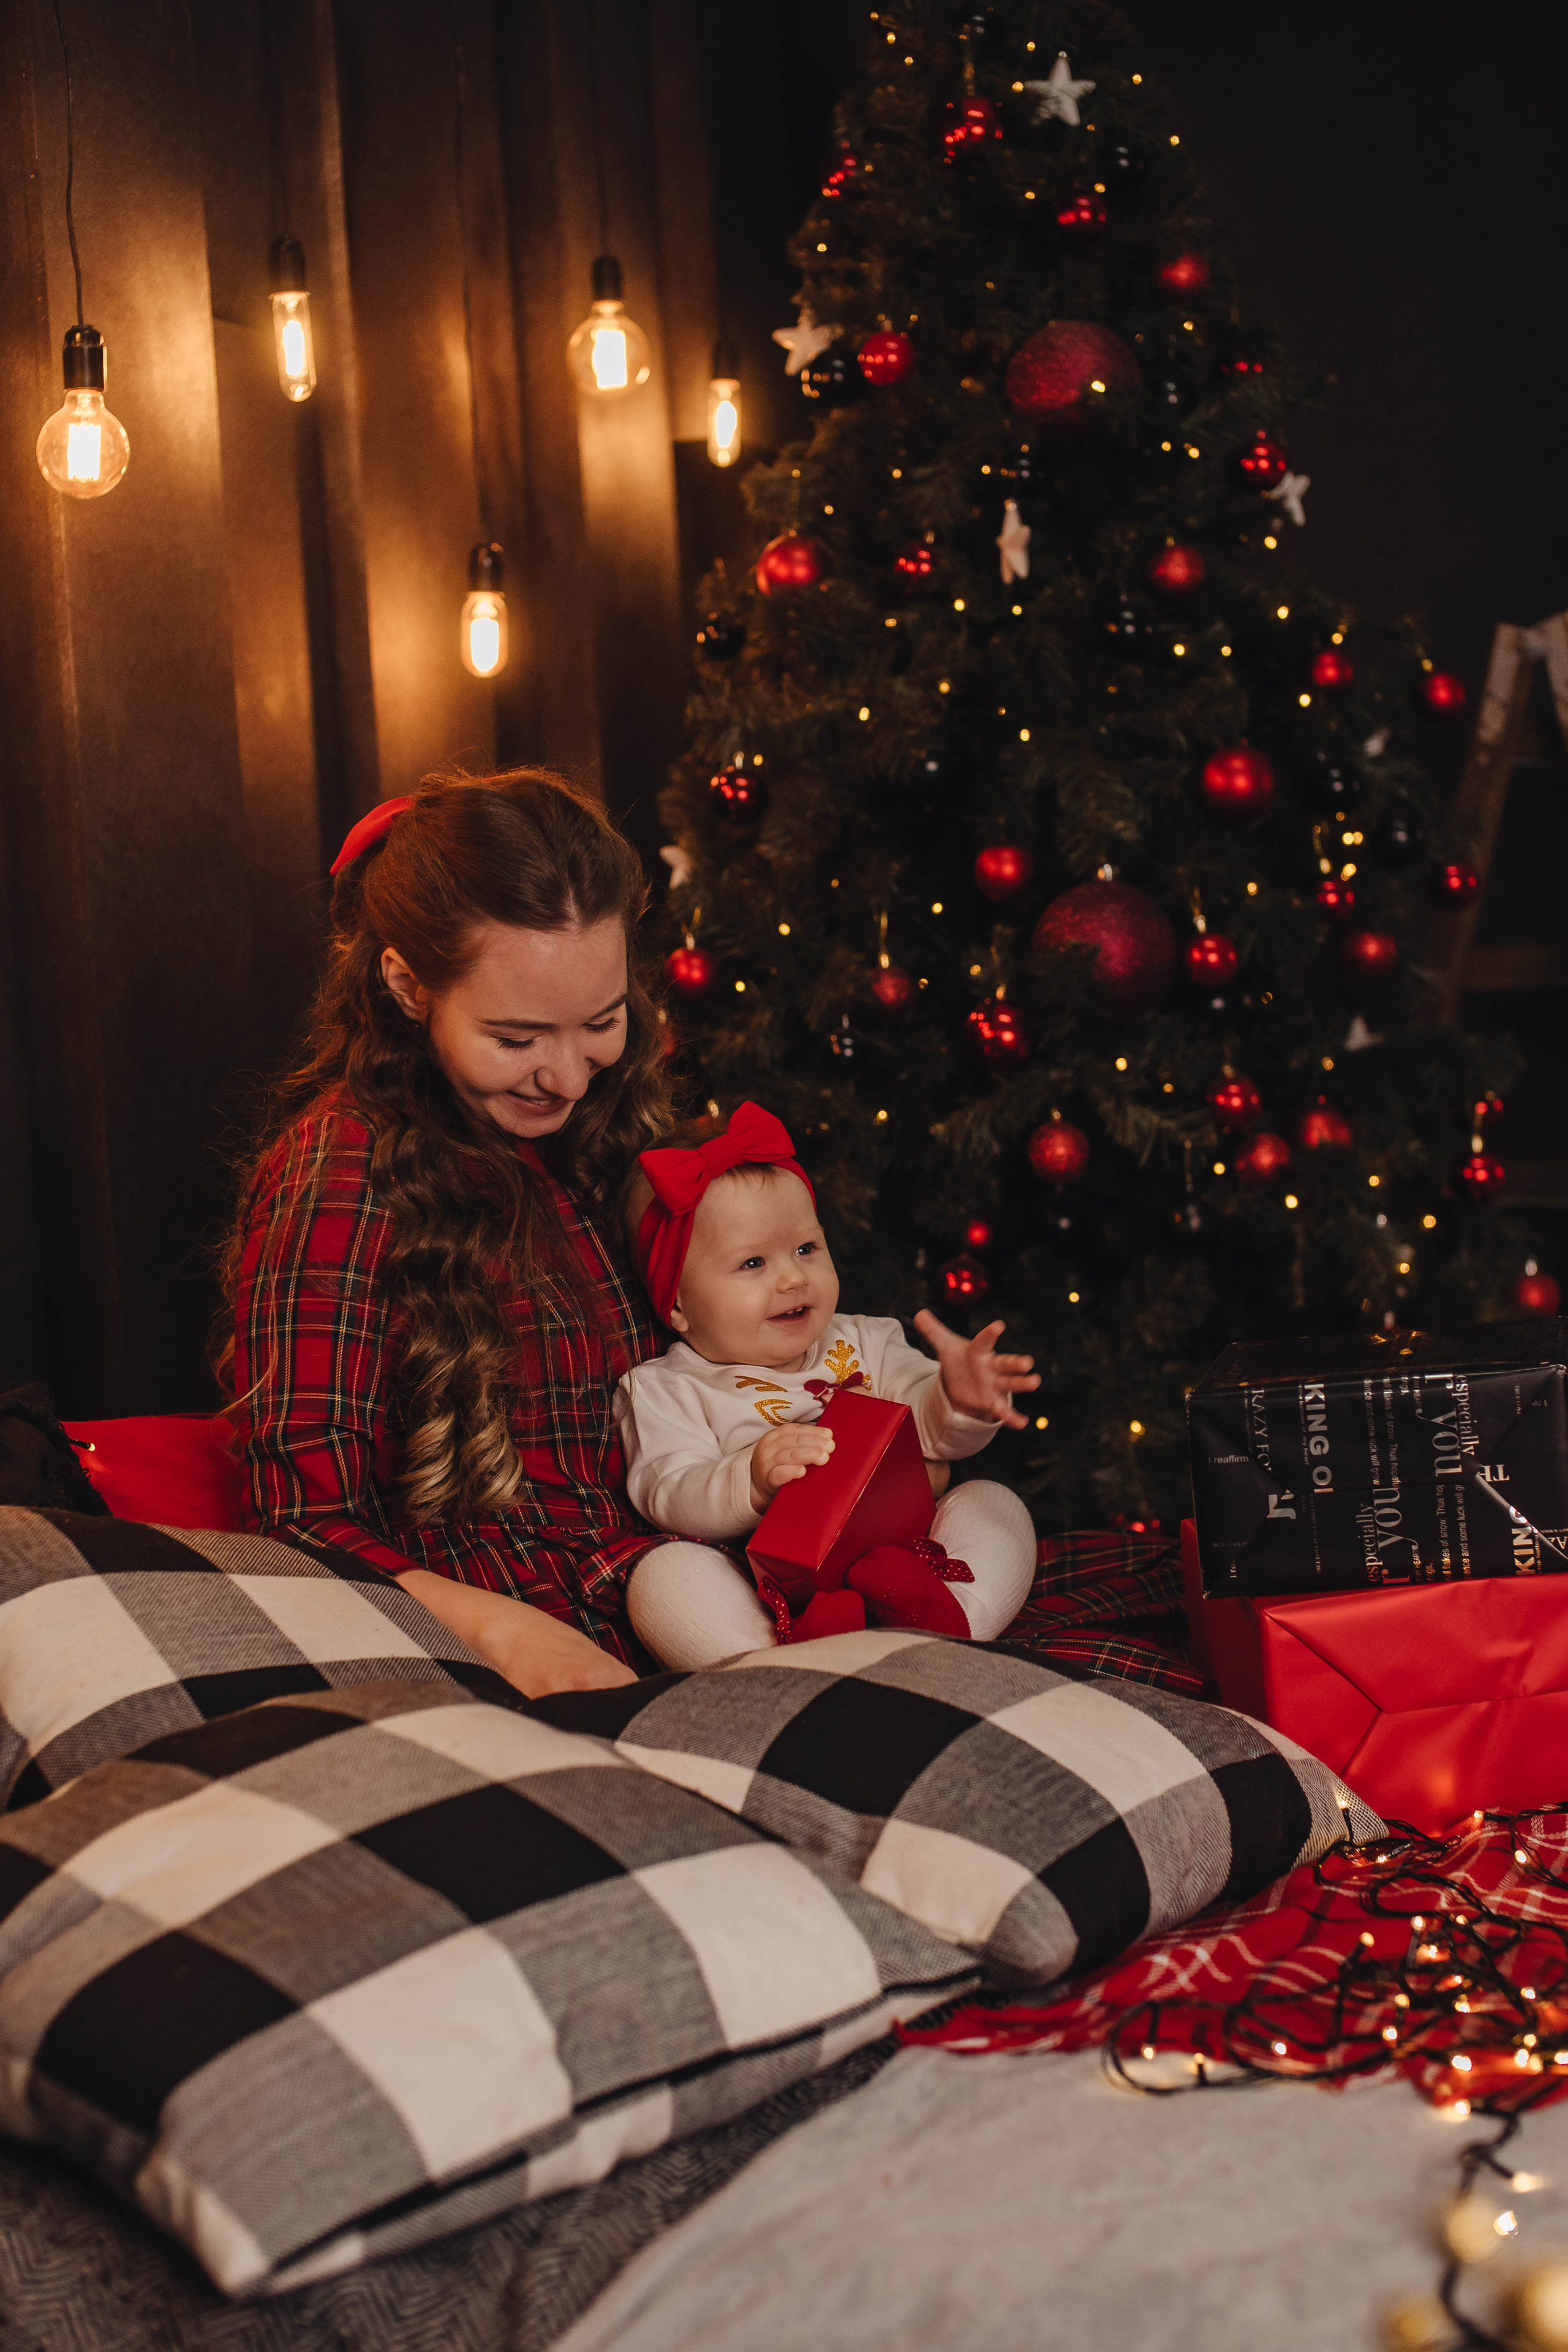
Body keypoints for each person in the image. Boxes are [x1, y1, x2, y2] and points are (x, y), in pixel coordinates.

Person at [220, 769, 676, 1697]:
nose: (569, 1077)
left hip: (669, 1590)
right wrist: (512, 1639)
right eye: (516, 1039)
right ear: (407, 986)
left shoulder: (596, 1130)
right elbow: (303, 1525)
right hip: (508, 1642)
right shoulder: (341, 1169)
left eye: (602, 1021)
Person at [614, 1101, 1039, 1670]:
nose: (794, 1277)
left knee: (994, 1503)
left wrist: (956, 1400)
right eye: (752, 1264)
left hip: (903, 1559)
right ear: (678, 1304)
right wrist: (752, 1479)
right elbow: (669, 1495)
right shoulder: (666, 1389)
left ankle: (952, 1620)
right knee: (663, 1577)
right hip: (766, 1590)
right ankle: (779, 1661)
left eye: (806, 1249)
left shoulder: (867, 1339)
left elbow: (932, 1434)